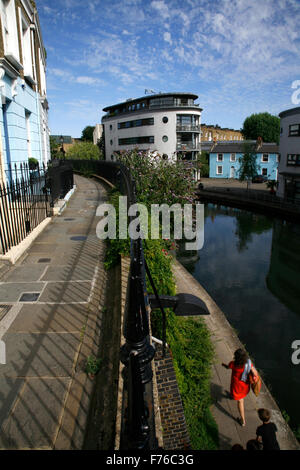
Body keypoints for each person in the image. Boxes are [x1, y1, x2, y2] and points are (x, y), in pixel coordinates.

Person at [222, 348, 258, 427]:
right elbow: (255, 373)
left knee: (240, 401)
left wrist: (224, 365)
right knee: (240, 399)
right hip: (244, 386)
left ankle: (243, 420)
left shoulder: (234, 364)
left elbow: (228, 367)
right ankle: (233, 397)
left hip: (236, 386)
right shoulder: (248, 363)